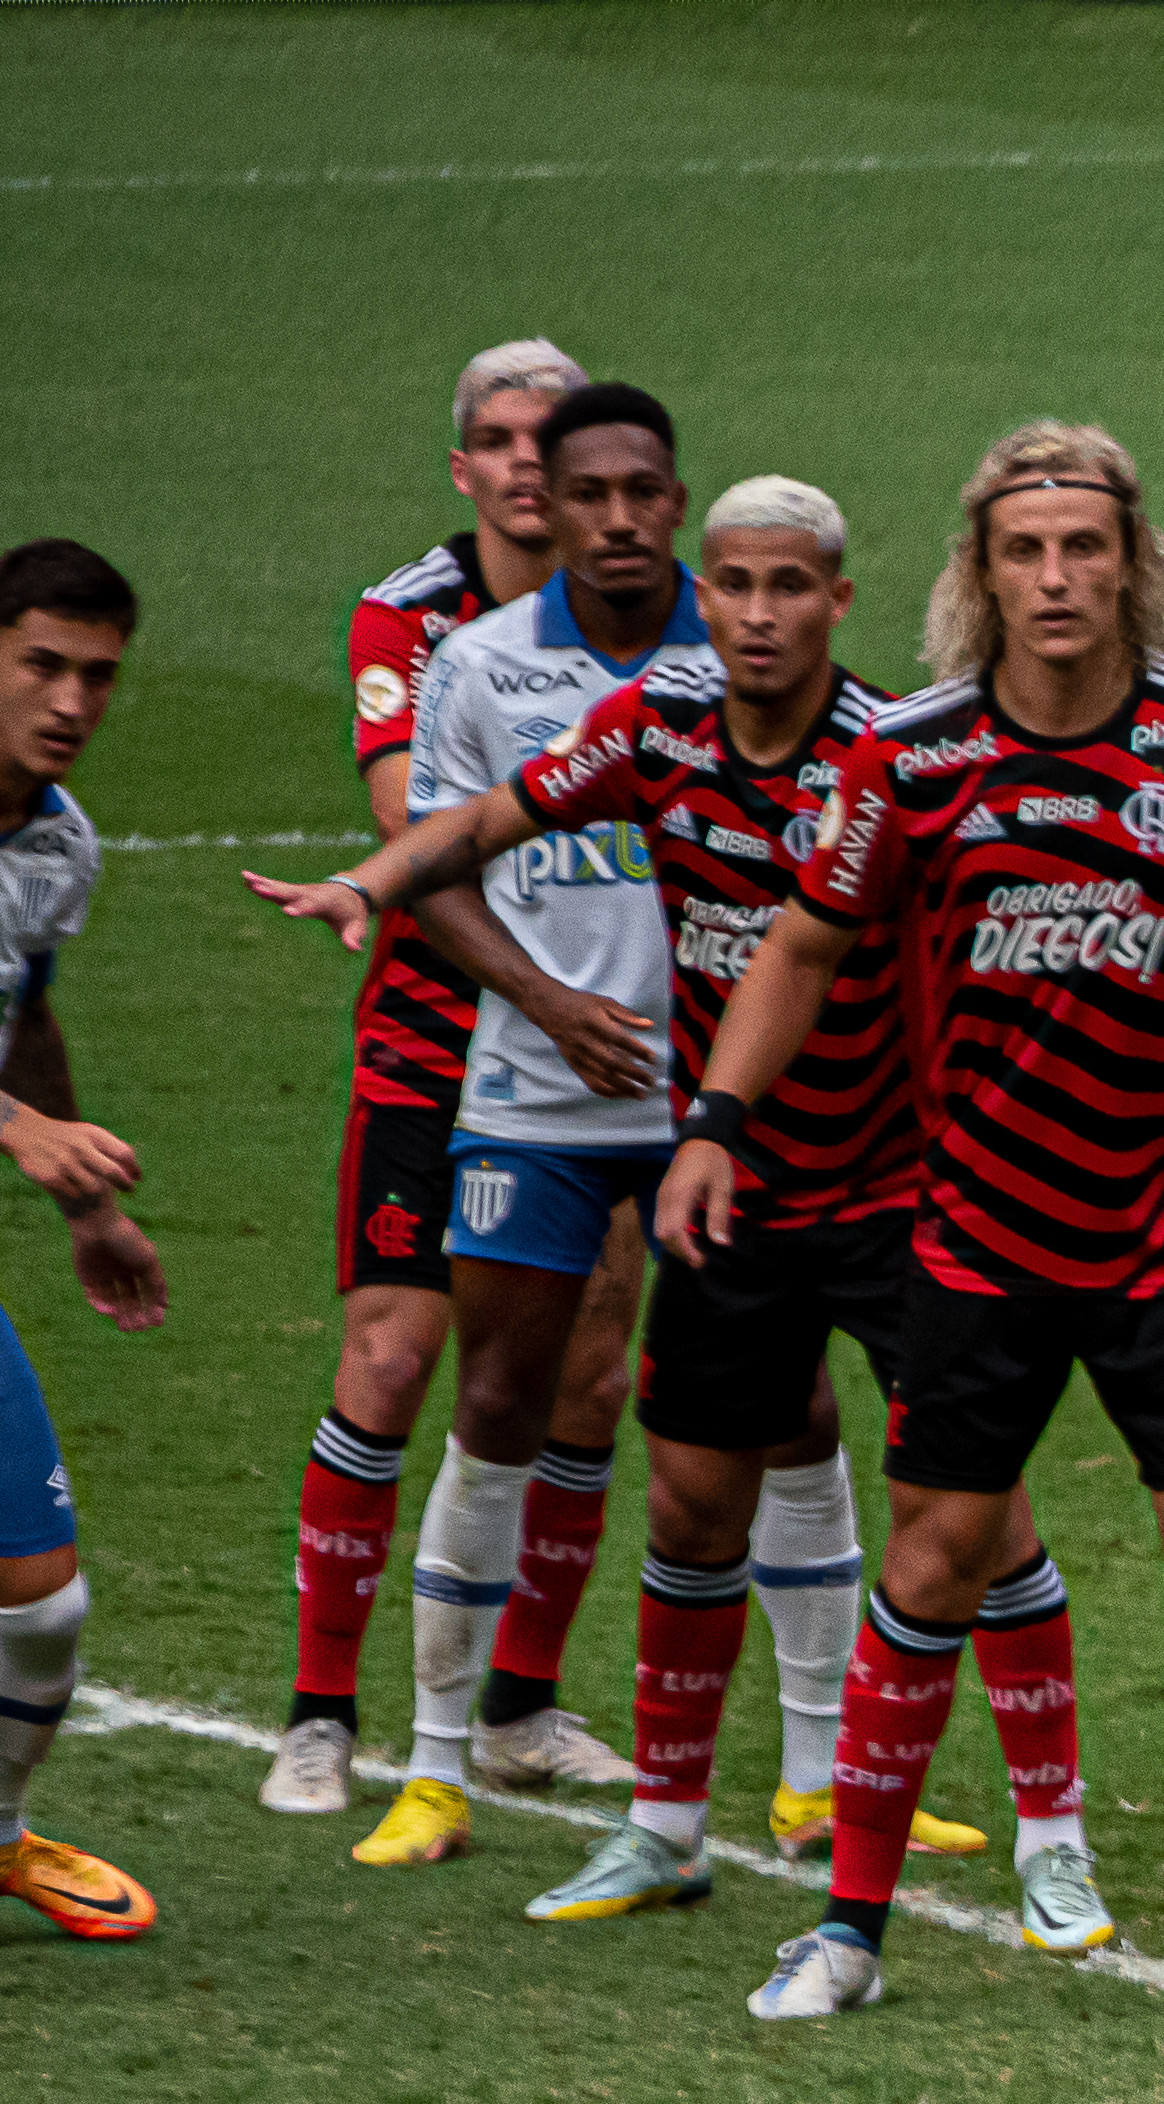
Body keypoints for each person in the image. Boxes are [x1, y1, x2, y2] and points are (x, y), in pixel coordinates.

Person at [254, 478, 1076, 1932]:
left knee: (967, 1486)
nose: (758, 613)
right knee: (672, 1483)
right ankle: (614, 1814)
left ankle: (1038, 1834)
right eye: (736, 586)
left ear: (838, 598)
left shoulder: (890, 755)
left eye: (789, 586)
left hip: (880, 1175)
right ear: (708, 591)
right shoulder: (647, 726)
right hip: (697, 1164)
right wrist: (371, 881)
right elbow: (491, 819)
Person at [668, 418, 1164, 2034]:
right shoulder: (910, 756)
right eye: (1025, 550)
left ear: (1134, 565)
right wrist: (715, 1122)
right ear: (978, 573)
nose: (1058, 578)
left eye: (1086, 548)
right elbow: (802, 949)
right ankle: (847, 1927)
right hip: (973, 1232)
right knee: (934, 1557)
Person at [266, 339, 651, 1820]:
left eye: (544, 442)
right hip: (445, 1034)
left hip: (595, 1048)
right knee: (392, 1356)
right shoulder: (414, 616)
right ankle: (317, 1712)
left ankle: (521, 1708)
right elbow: (411, 828)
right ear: (467, 467)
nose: (521, 465)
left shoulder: (648, 625)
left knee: (591, 1372)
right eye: (496, 440)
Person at [338, 379, 706, 1870]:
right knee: (497, 1399)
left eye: (644, 491)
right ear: (541, 505)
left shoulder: (742, 644)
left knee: (769, 1410)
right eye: (588, 492)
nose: (617, 518)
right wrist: (548, 1006)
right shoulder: (480, 665)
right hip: (530, 1095)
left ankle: (804, 1775)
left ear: (675, 499)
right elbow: (431, 865)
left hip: (705, 1106)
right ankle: (434, 1766)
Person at [0, 543, 165, 1941]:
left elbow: (23, 1016)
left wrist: (87, 1204)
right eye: (44, 663)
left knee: (43, 1608)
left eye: (97, 674)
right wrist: (17, 1131)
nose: (71, 697)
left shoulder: (63, 842)